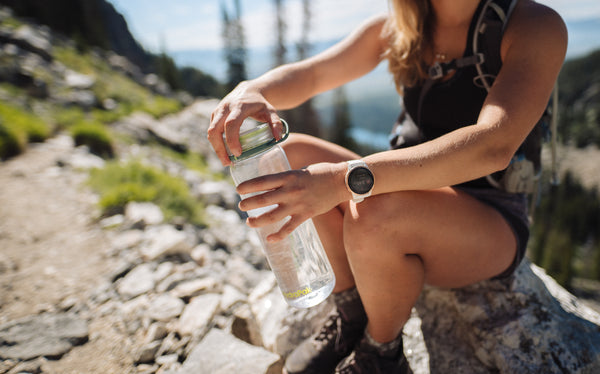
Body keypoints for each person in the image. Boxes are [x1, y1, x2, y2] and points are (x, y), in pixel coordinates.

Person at [207, 0, 567, 372]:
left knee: (374, 210)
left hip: (489, 218)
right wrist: (253, 90)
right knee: (291, 155)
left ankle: (380, 353)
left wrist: (340, 181)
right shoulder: (400, 27)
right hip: (402, 197)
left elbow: (494, 145)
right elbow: (313, 75)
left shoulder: (531, 25)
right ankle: (353, 313)